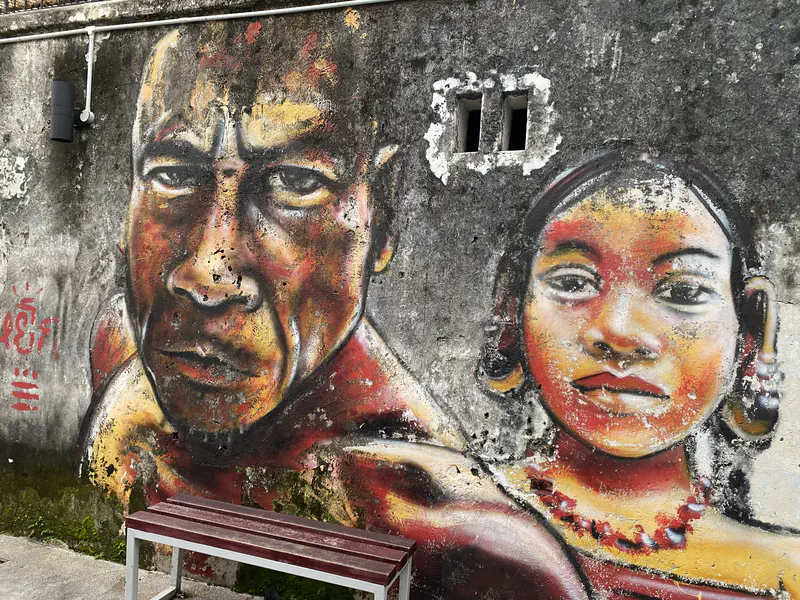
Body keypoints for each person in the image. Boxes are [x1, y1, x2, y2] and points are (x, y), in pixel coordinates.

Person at [80, 20, 590, 599]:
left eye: (295, 182)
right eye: (172, 175)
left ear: (384, 213)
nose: (209, 274)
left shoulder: (473, 547)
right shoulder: (121, 341)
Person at [477, 148, 800, 598]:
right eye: (573, 283)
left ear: (750, 332)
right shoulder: (453, 501)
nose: (620, 332)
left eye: (684, 290)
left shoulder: (786, 571)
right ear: (512, 306)